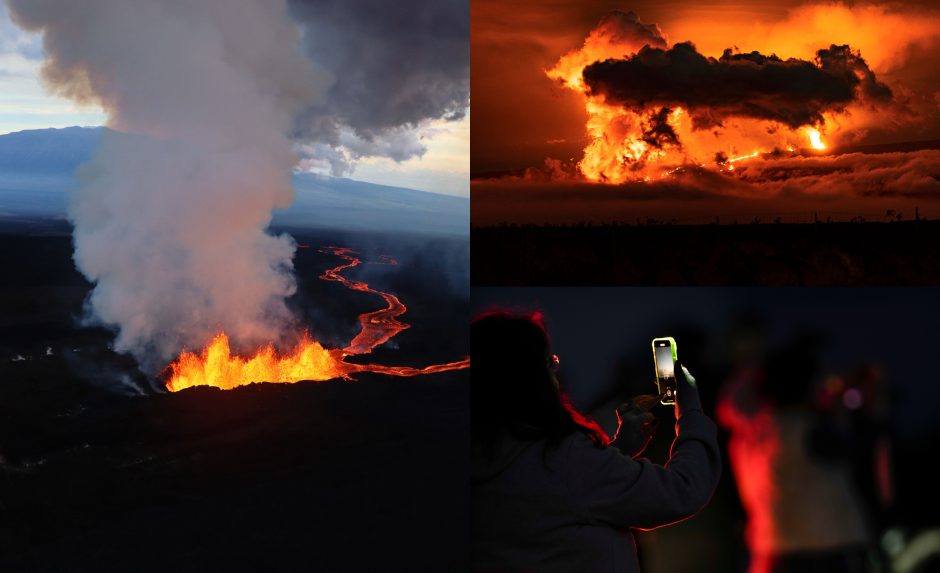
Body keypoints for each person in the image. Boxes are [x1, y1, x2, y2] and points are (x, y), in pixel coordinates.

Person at [471, 311, 722, 573]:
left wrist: (616, 451)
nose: (556, 371)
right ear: (529, 380)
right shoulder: (562, 457)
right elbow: (682, 490)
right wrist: (691, 410)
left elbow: (552, 498)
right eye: (548, 363)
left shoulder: (478, 456)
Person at [717, 334, 871, 573]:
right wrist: (850, 414)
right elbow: (860, 451)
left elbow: (732, 400)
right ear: (805, 385)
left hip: (769, 554)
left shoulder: (749, 432)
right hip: (826, 551)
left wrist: (757, 364)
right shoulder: (809, 432)